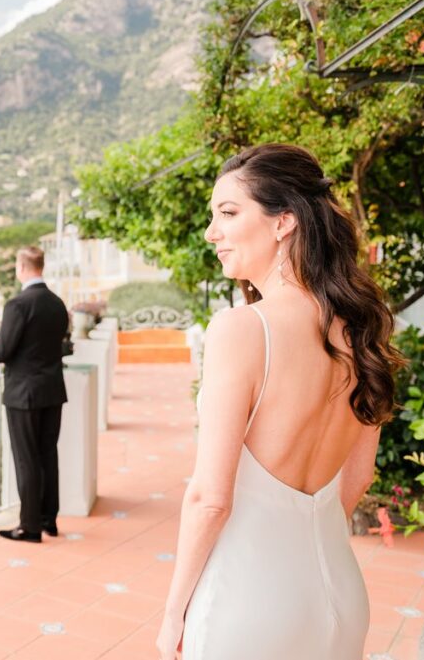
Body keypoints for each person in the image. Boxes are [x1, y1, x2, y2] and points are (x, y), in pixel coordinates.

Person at [156, 144, 404, 659]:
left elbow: (210, 499)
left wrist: (174, 610)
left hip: (248, 604)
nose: (212, 233)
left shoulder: (241, 329)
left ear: (283, 221)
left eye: (228, 213)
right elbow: (356, 479)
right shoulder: (362, 330)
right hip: (338, 596)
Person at [0, 245, 69, 542]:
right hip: (52, 391)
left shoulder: (18, 304)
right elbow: (63, 345)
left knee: (26, 459)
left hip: (23, 394)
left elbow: (3, 350)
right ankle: (49, 520)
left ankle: (29, 527)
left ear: (22, 267)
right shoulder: (57, 303)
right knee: (47, 456)